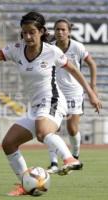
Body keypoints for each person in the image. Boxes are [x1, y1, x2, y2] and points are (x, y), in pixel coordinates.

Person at [0, 11, 101, 196]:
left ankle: (70, 159)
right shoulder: (16, 49)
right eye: (24, 33)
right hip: (36, 107)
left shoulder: (52, 51)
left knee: (42, 132)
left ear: (41, 31)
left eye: (32, 32)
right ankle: (26, 183)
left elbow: (74, 70)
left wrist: (91, 93)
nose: (28, 36)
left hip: (53, 100)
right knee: (8, 143)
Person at [47, 18, 98, 174]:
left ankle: (74, 157)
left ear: (69, 32)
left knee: (71, 128)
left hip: (74, 92)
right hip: (55, 92)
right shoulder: (50, 48)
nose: (60, 32)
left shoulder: (77, 47)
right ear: (54, 31)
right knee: (51, 129)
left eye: (63, 29)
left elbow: (92, 64)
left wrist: (92, 88)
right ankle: (54, 163)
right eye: (57, 29)